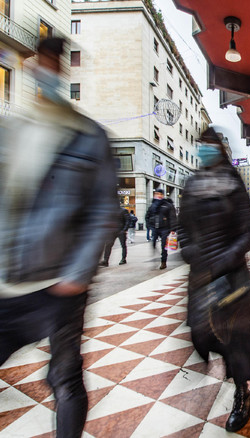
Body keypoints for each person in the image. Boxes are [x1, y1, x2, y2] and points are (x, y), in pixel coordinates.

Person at [0, 37, 117, 438]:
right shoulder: (12, 129)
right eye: (38, 62)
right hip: (7, 279)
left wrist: (79, 273)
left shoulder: (89, 136)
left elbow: (104, 210)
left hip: (60, 284)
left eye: (51, 62)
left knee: (64, 377)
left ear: (62, 68)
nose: (42, 71)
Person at [177, 127, 250, 433]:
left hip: (231, 277)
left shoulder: (232, 183)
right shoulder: (192, 183)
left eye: (209, 145)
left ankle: (242, 394)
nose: (204, 150)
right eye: (201, 145)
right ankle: (234, 366)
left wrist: (223, 262)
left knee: (237, 336)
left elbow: (248, 232)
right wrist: (189, 250)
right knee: (202, 335)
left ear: (219, 149)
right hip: (200, 277)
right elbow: (182, 226)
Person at [146, 188, 177, 269]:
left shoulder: (167, 205)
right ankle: (156, 254)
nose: (158, 195)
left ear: (163, 195)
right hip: (155, 228)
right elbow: (147, 215)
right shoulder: (153, 205)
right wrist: (149, 225)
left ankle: (163, 262)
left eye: (160, 194)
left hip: (165, 228)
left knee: (164, 246)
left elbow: (172, 217)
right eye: (157, 194)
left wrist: (173, 229)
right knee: (153, 243)